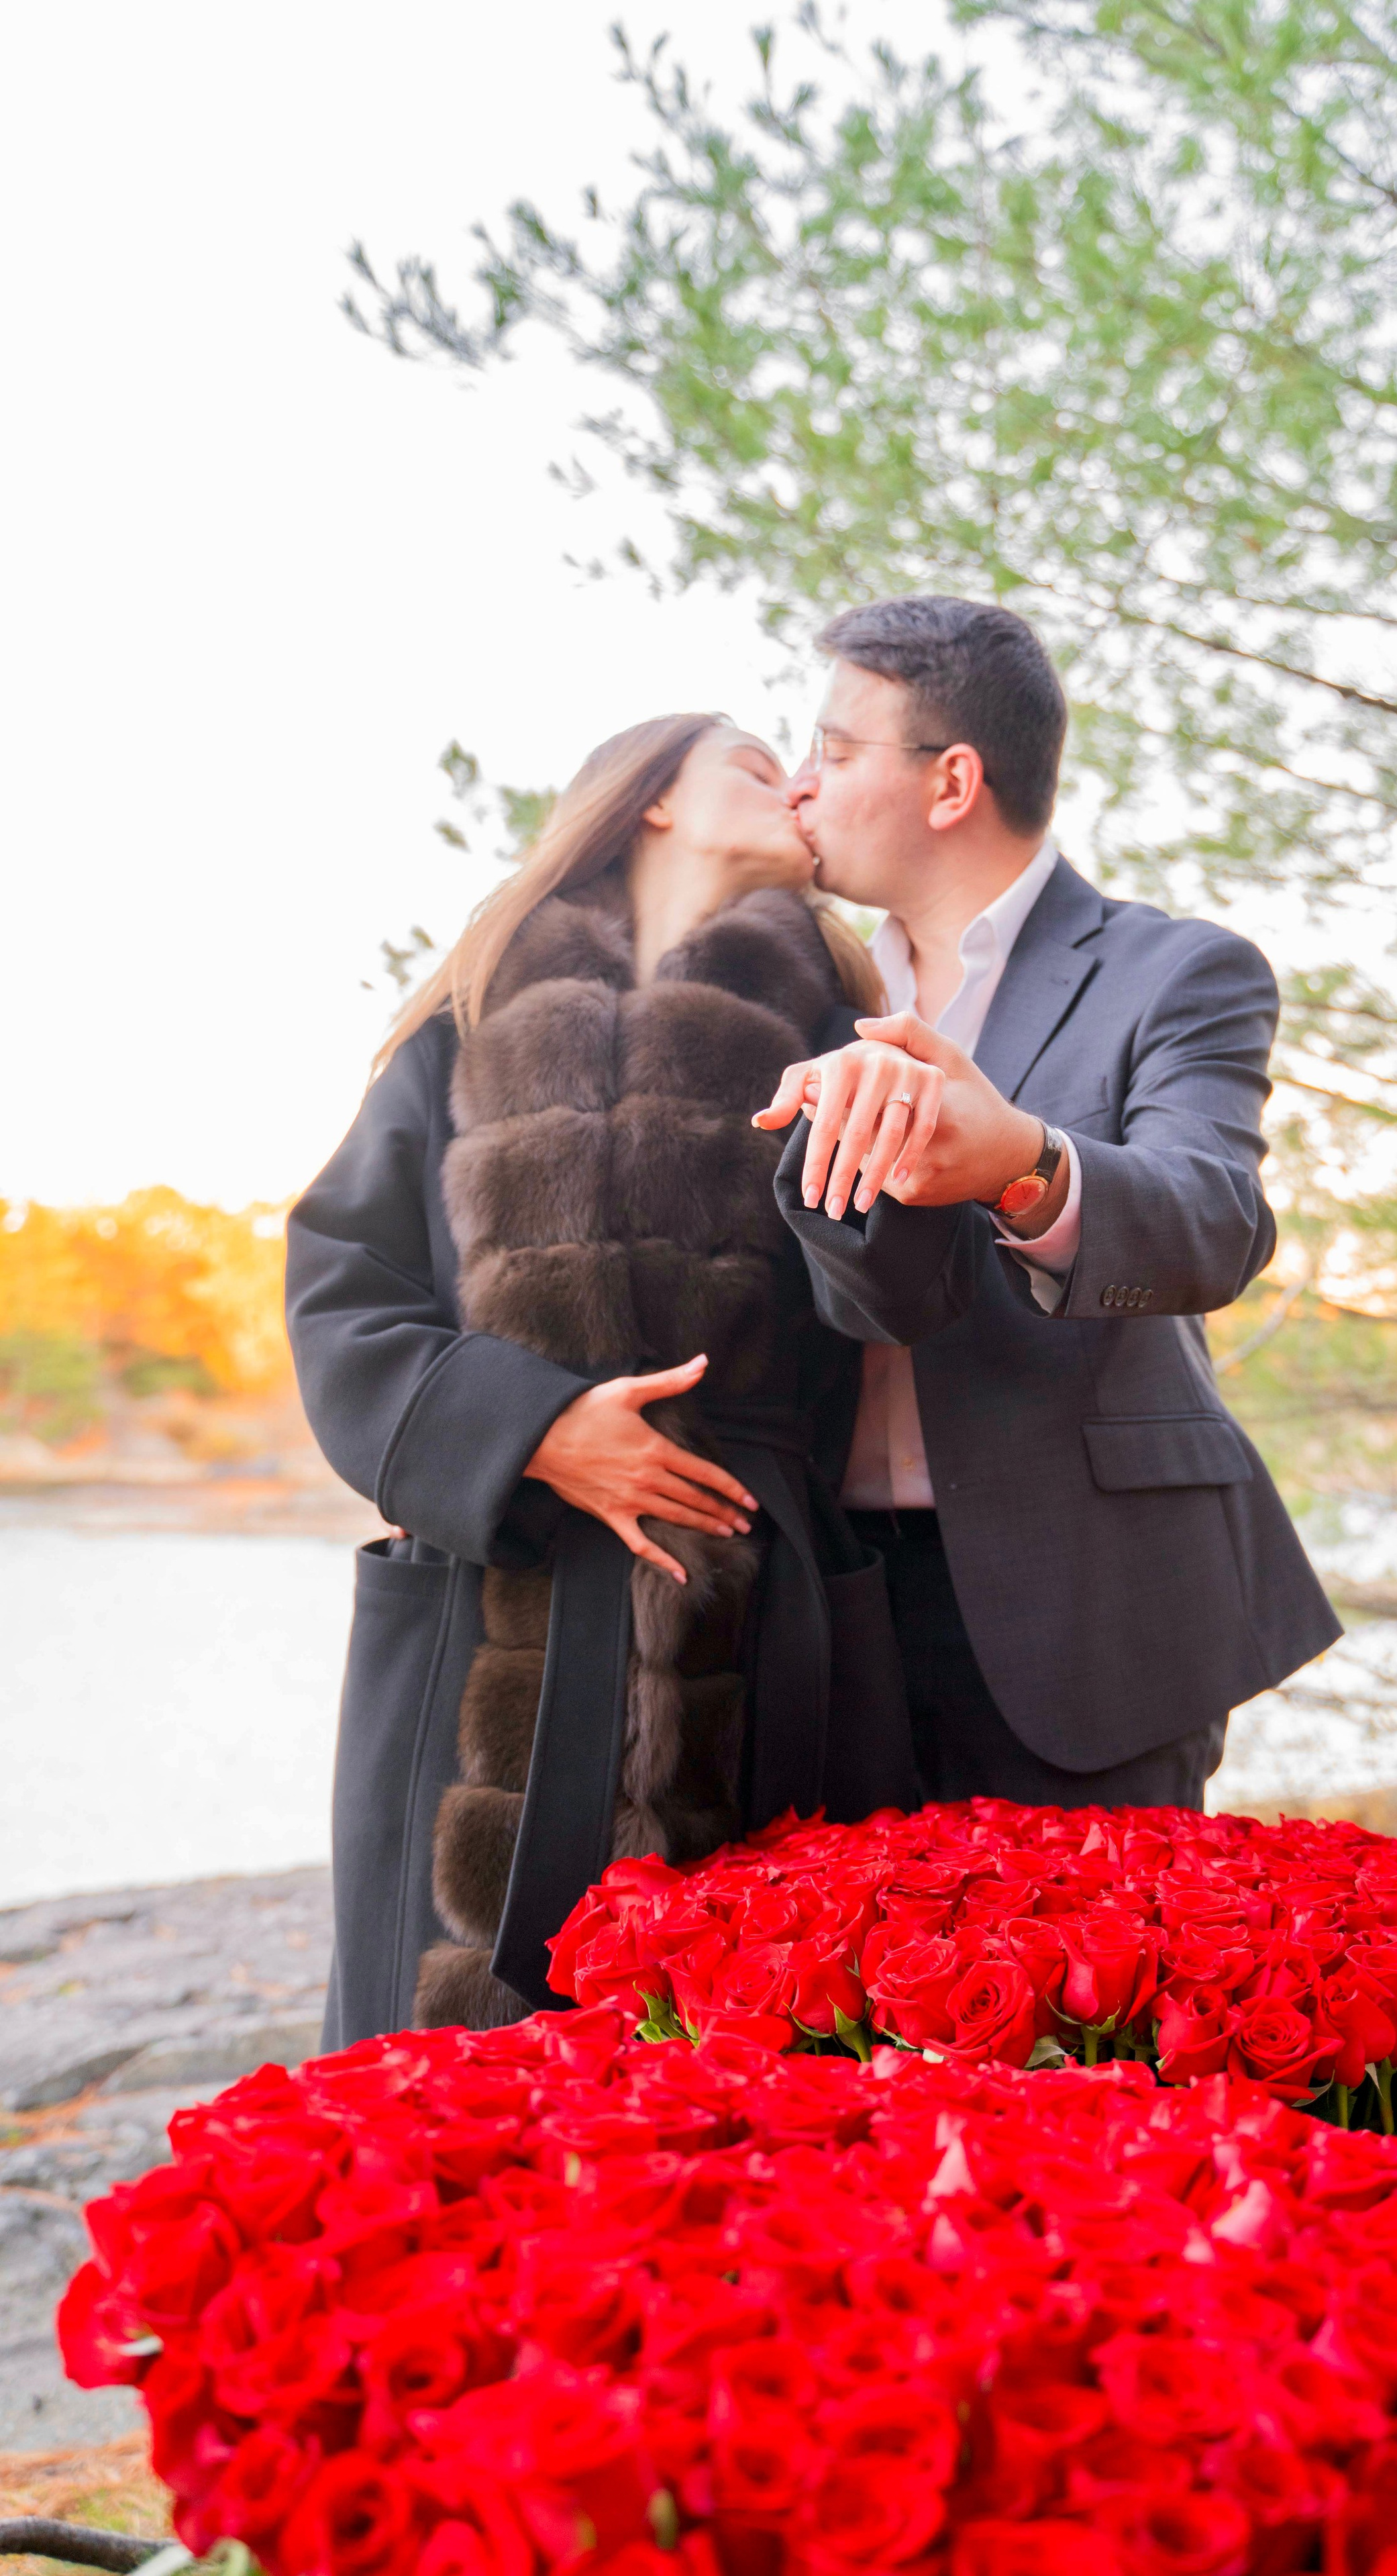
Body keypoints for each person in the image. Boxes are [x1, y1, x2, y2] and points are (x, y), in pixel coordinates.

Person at [287, 715, 974, 2049]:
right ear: (650, 797)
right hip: (486, 1606)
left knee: (747, 2079)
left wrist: (880, 1139)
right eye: (752, 756)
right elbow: (341, 1290)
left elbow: (907, 1302)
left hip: (758, 1607)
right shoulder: (468, 1023)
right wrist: (533, 1428)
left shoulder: (847, 1037)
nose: (797, 778)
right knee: (437, 2086)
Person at [756, 595, 1341, 1812]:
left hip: (1098, 1612)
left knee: (1106, 2002)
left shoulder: (1180, 971)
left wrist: (1024, 1162)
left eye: (837, 748)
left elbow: (1214, 1218)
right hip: (830, 1613)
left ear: (952, 780)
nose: (800, 785)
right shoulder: (801, 1004)